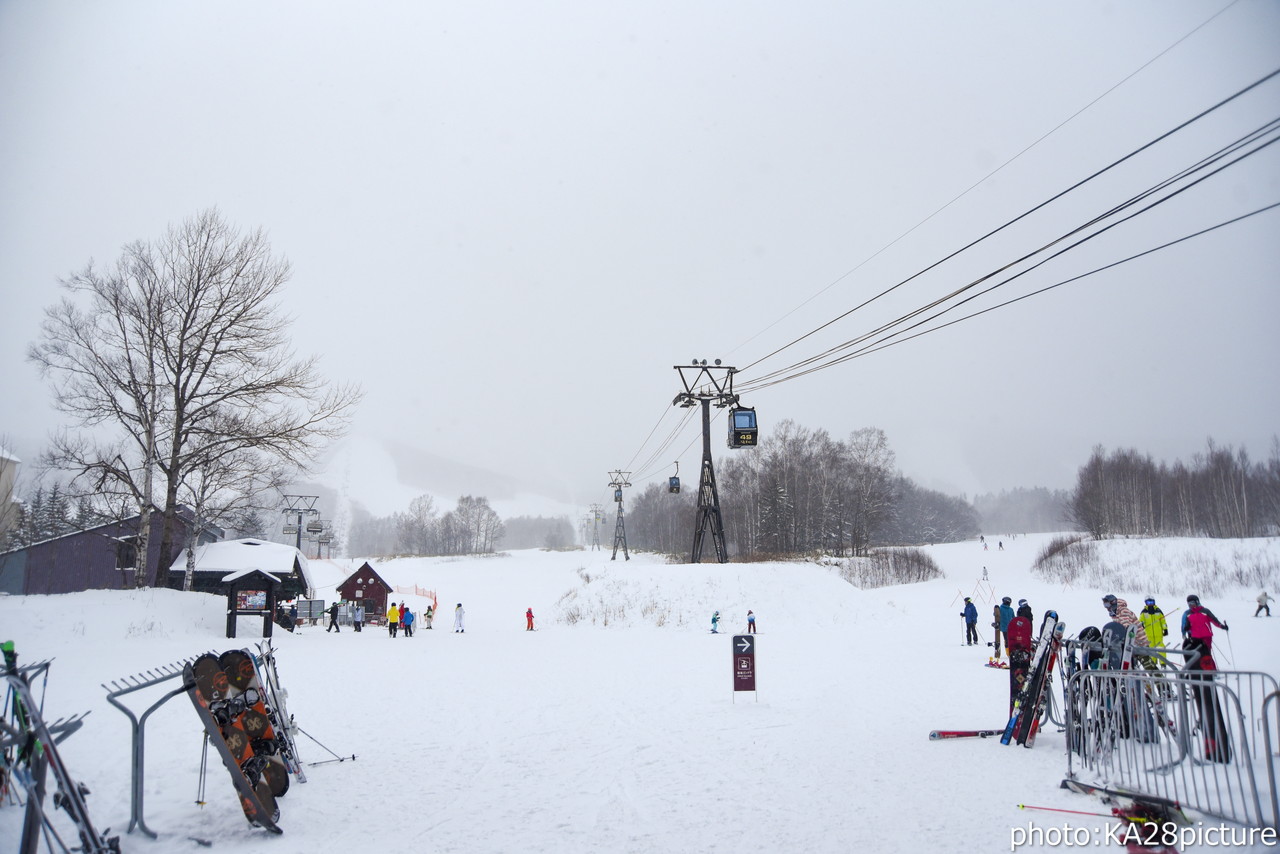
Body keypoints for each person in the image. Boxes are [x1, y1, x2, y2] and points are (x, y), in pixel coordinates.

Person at [1182, 594, 1227, 658]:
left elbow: (1214, 620)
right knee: (1197, 654)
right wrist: (1186, 628)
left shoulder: (1205, 611)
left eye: (1192, 603)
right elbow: (1187, 624)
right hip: (1195, 637)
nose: (1190, 605)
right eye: (1189, 604)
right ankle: (1199, 667)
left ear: (1197, 602)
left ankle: (1210, 667)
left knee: (1206, 654)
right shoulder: (1189, 613)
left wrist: (1222, 626)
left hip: (1206, 636)